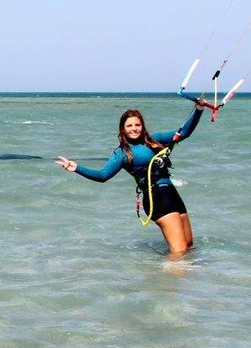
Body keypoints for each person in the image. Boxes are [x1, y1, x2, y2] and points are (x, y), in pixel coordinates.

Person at [55, 101, 213, 256]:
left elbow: (184, 133)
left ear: (142, 125)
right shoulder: (122, 153)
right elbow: (103, 176)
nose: (134, 129)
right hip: (157, 198)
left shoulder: (154, 140)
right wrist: (77, 168)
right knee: (179, 252)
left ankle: (168, 277)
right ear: (122, 129)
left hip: (172, 195)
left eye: (137, 125)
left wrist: (199, 109)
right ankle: (166, 280)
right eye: (129, 126)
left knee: (188, 246)